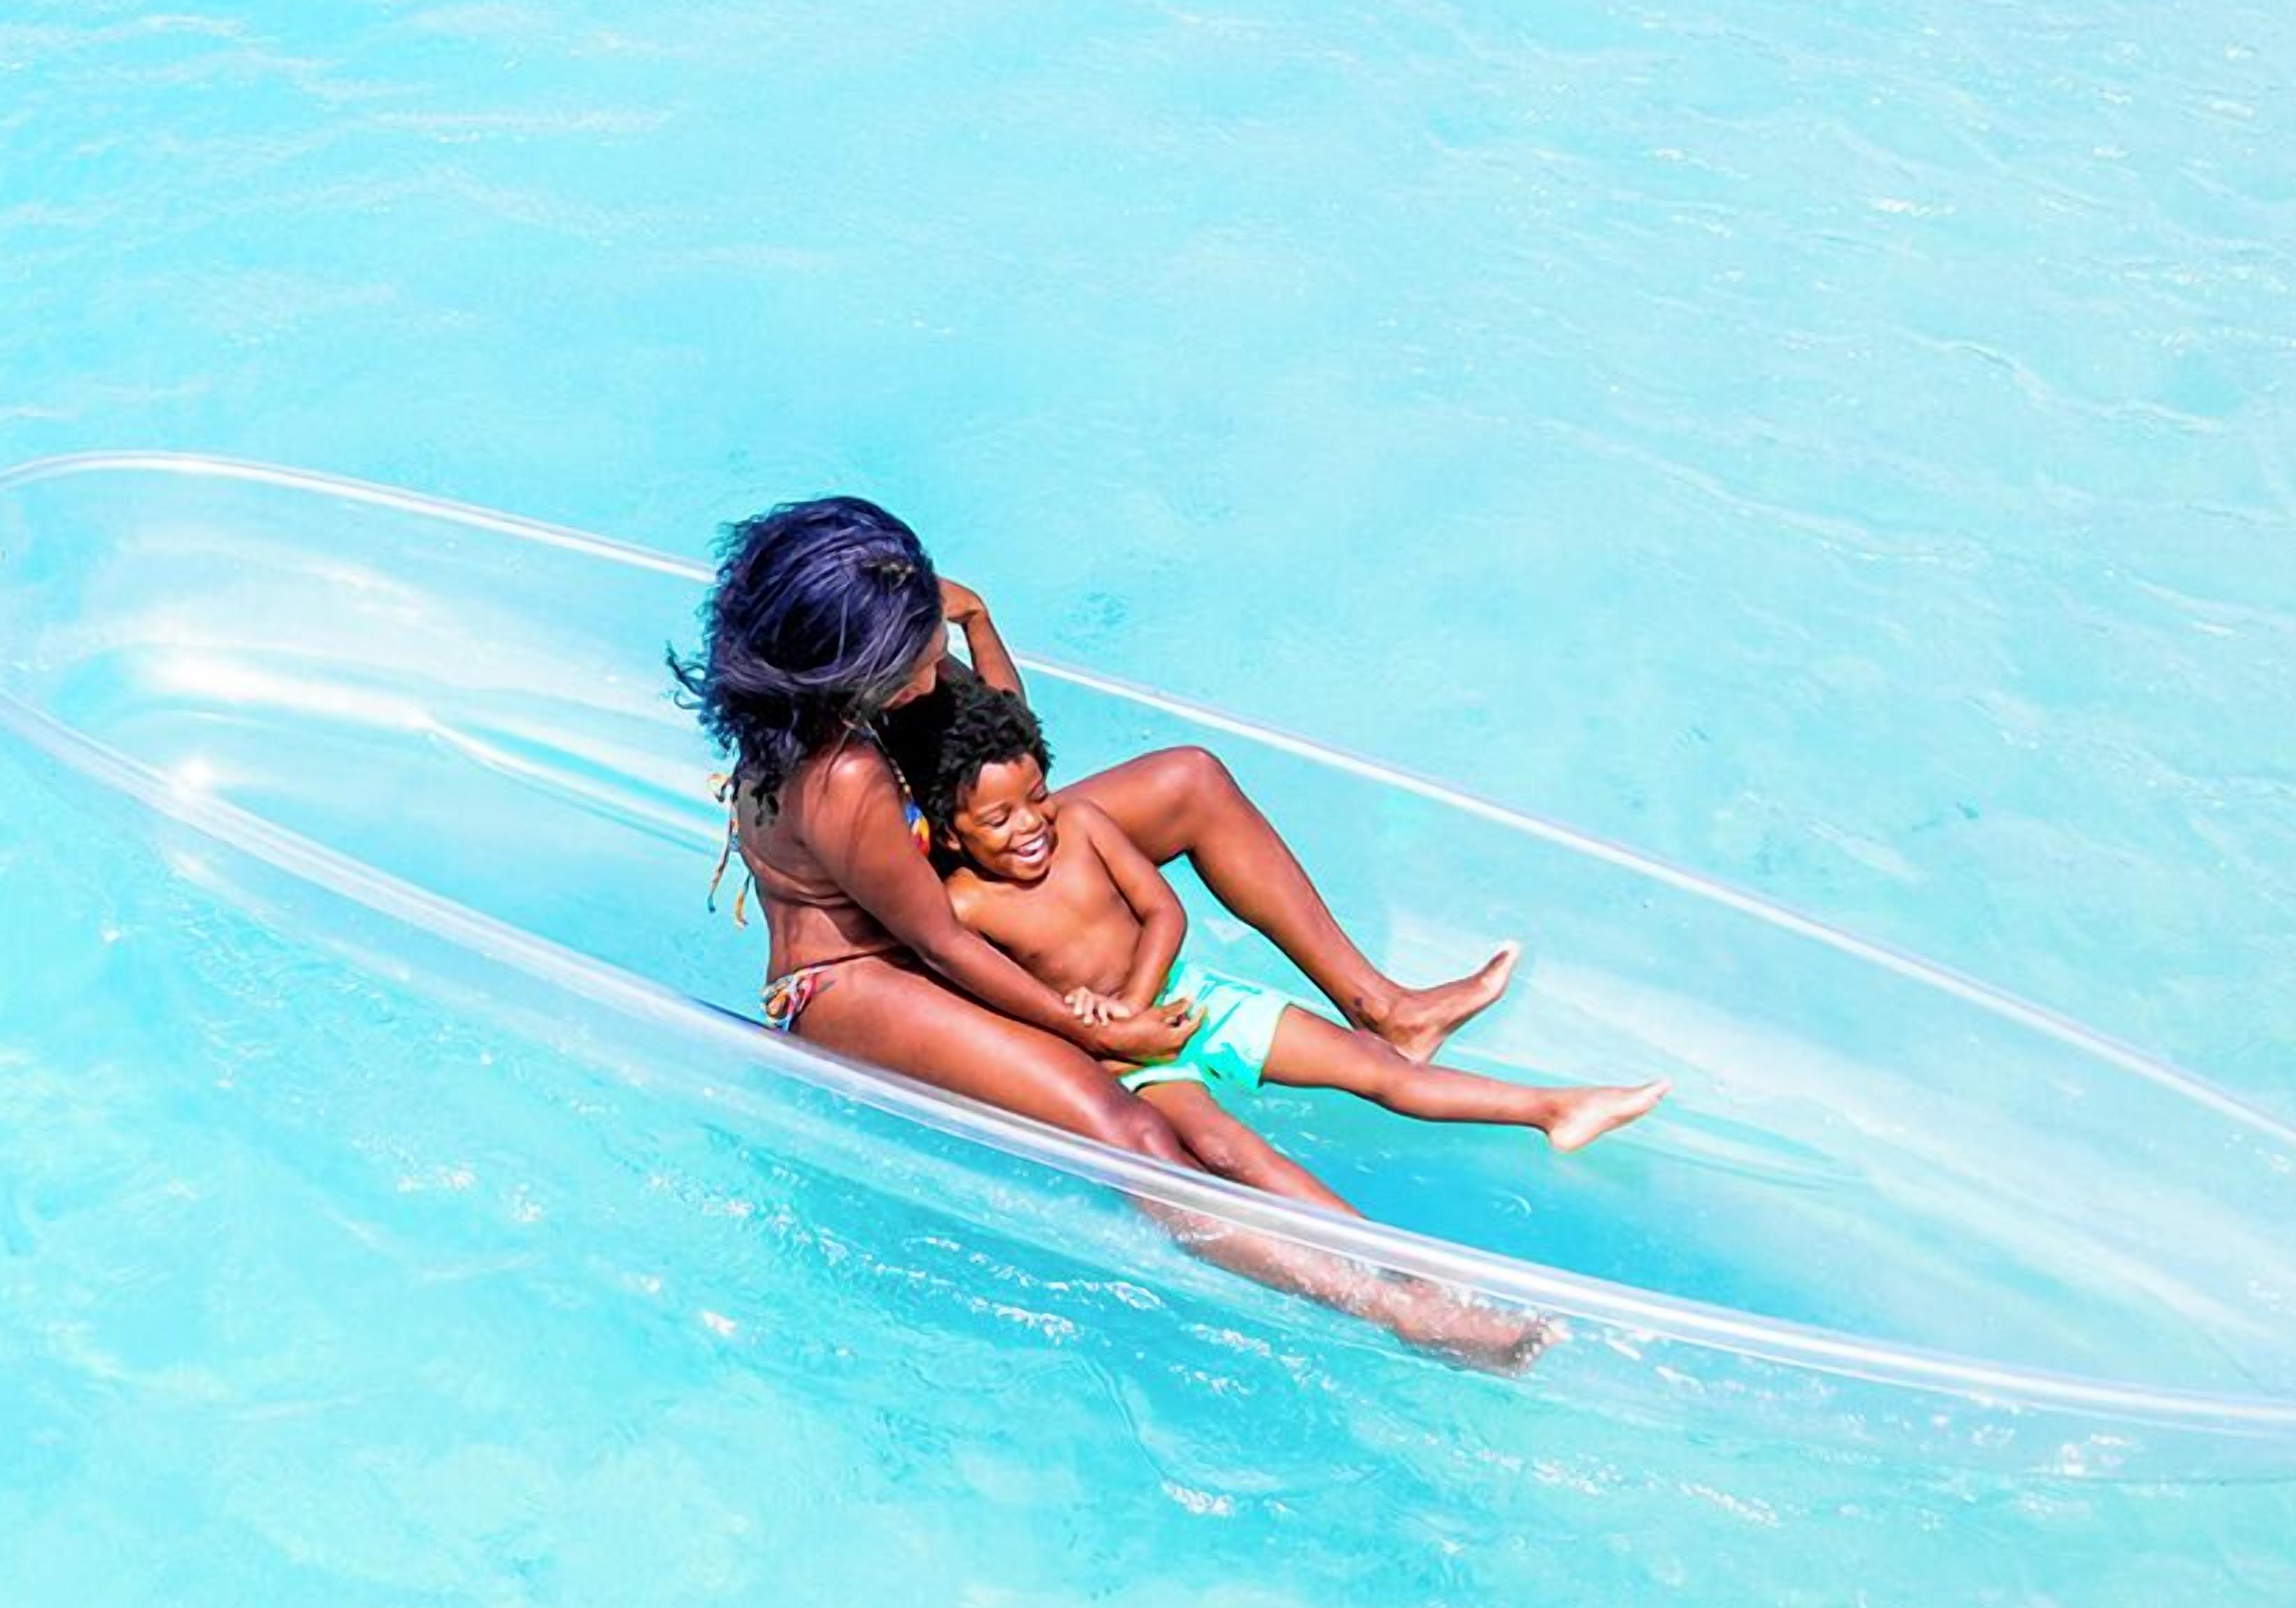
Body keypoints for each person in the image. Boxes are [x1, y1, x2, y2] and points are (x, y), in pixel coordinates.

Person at [671, 495, 1544, 1366]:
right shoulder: (844, 774)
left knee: (1189, 782)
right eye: (915, 661)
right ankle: (1398, 1311)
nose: (932, 676)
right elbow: (942, 943)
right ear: (844, 666)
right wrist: (1096, 1026)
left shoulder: (867, 690)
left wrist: (974, 619)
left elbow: (990, 745)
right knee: (1129, 1134)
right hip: (862, 975)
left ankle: (1385, 1010)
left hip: (934, 891)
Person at [923, 678, 1669, 1206]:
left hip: (1186, 1001)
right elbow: (994, 1003)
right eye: (999, 821)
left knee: (1377, 1067)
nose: (1030, 826)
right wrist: (1097, 1023)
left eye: (1038, 800)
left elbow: (1165, 912)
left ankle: (1554, 1109)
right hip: (1126, 1066)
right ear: (951, 833)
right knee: (1227, 1152)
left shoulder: (1081, 827)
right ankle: (1379, 1258)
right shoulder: (962, 906)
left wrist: (1133, 1003)